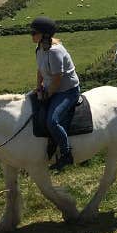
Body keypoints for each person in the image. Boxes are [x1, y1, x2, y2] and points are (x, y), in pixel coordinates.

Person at [31, 16, 81, 172]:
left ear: (45, 34)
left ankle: (66, 154)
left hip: (66, 91)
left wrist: (48, 94)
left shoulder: (55, 52)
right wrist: (38, 87)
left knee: (52, 121)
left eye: (34, 32)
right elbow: (40, 69)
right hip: (50, 87)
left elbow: (58, 79)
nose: (31, 35)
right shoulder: (40, 48)